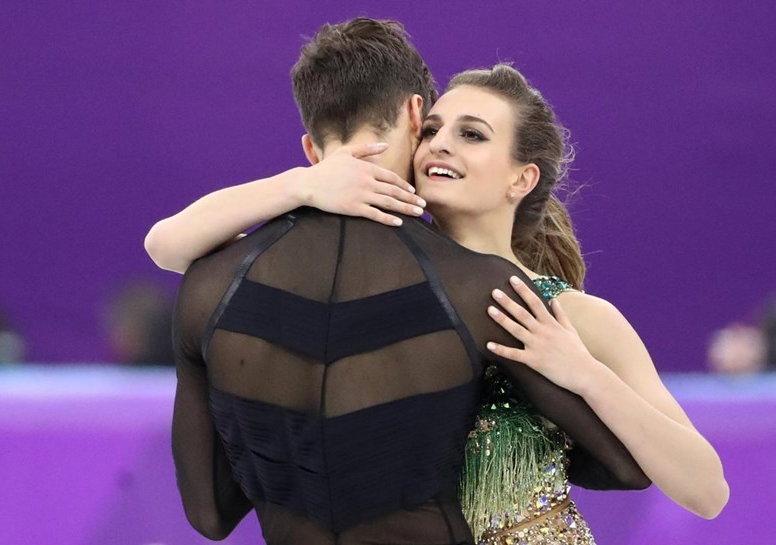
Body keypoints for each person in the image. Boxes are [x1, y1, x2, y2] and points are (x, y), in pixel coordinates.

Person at [162, 18, 653, 545]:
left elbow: (209, 514)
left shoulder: (208, 286)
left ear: (310, 148)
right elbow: (627, 467)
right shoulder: (480, 288)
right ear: (416, 114)